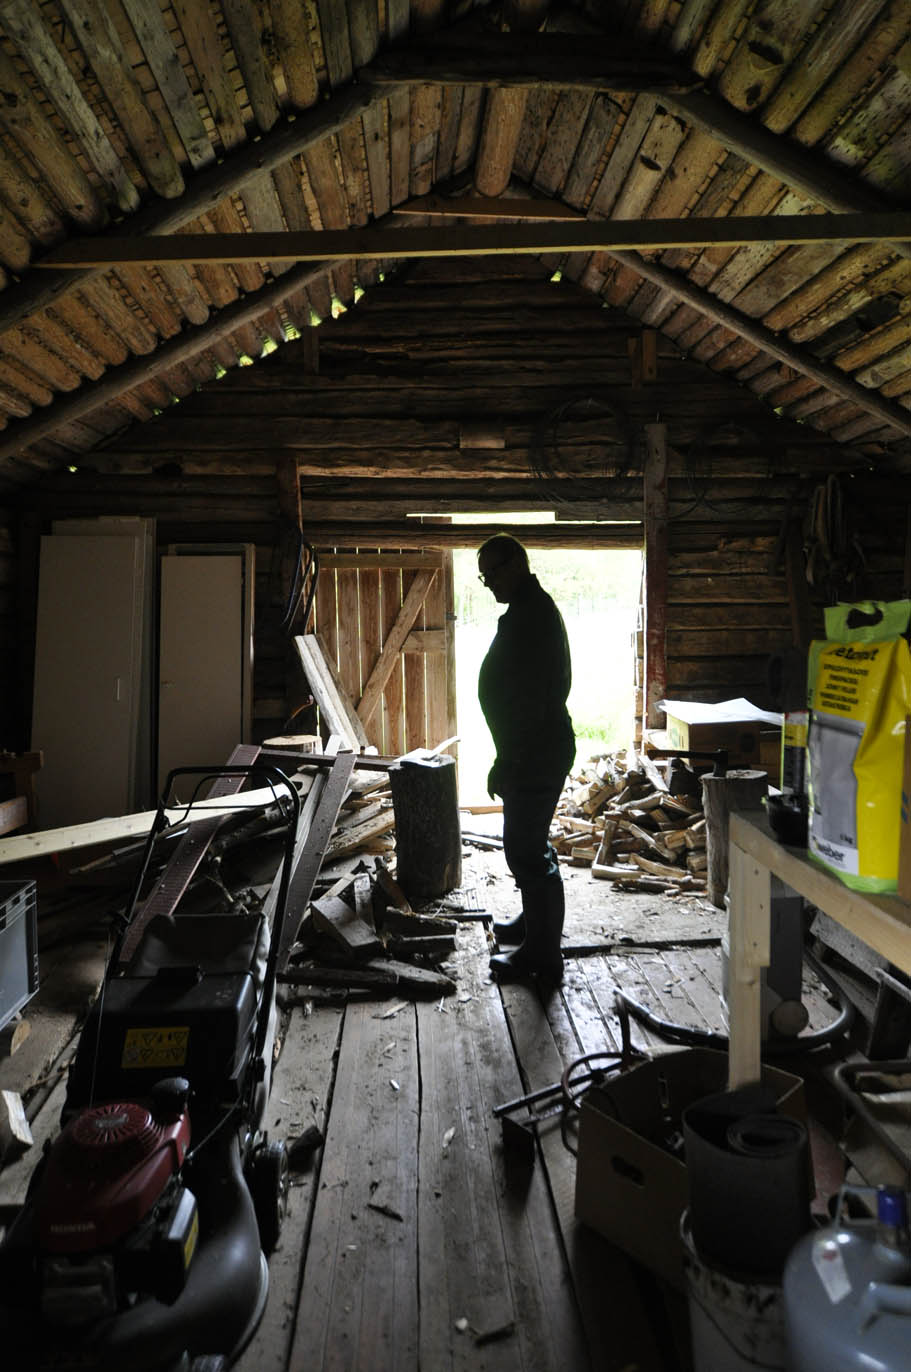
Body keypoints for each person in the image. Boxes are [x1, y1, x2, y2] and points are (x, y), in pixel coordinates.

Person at [476, 534, 575, 984]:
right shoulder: (527, 609)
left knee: (526, 849)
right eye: (484, 577)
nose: (490, 584)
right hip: (532, 748)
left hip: (536, 750)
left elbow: (534, 701)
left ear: (517, 563)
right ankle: (534, 924)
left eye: (493, 573)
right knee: (530, 844)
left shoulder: (533, 615)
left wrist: (509, 760)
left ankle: (543, 955)